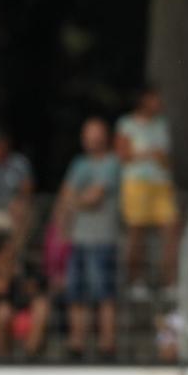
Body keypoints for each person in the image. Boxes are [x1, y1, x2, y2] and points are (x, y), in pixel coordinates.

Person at [59, 118, 121, 360]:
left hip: (103, 239)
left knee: (104, 294)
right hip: (78, 238)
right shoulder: (78, 164)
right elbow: (68, 194)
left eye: (96, 134)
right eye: (88, 134)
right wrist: (77, 199)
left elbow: (94, 197)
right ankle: (77, 344)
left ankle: (107, 345)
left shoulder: (112, 162)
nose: (91, 139)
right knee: (76, 293)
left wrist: (75, 199)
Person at [114, 86, 180, 300]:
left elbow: (165, 158)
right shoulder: (126, 124)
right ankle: (136, 281)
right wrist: (149, 153)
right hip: (136, 183)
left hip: (160, 183)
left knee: (170, 231)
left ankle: (170, 282)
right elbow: (123, 155)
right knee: (137, 233)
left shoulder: (161, 125)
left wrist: (143, 153)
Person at [0, 237, 50, 359]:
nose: (10, 254)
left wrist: (24, 281)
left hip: (20, 314)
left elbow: (31, 291)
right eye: (7, 250)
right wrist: (10, 272)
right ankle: (4, 359)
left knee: (42, 305)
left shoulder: (21, 269)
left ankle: (30, 356)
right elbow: (1, 288)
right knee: (3, 311)